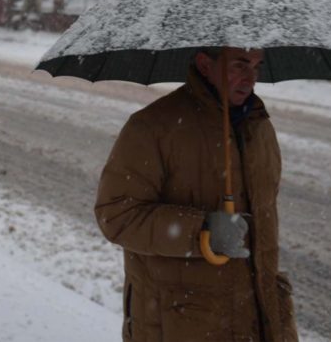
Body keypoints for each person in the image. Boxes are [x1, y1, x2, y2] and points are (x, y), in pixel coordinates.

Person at [94, 47, 298, 342]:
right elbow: (117, 214)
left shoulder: (260, 127)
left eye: (256, 66)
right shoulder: (153, 127)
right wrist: (202, 232)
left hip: (258, 322)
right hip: (185, 324)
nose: (250, 78)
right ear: (204, 65)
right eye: (239, 65)